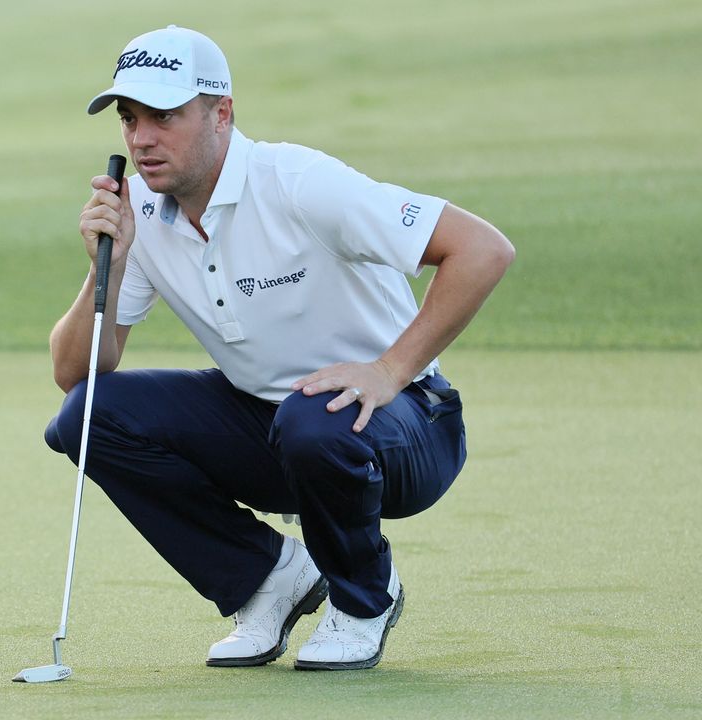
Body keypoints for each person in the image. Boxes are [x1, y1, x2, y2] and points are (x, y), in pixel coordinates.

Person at [44, 25, 514, 671]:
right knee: (89, 413)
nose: (142, 138)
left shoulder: (298, 181)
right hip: (275, 428)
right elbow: (76, 372)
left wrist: (389, 370)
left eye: (165, 116)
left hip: (404, 427)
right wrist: (111, 264)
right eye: (130, 119)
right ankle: (268, 578)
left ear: (222, 113)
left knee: (311, 416)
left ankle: (363, 600)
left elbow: (482, 249)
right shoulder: (143, 215)